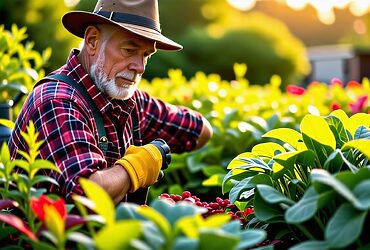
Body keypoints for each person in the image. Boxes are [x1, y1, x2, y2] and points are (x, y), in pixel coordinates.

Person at [8, 0, 213, 205]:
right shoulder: (56, 101)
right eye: (129, 50)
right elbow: (87, 194)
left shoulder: (129, 101)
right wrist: (138, 166)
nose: (140, 67)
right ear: (92, 41)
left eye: (146, 55)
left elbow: (201, 131)